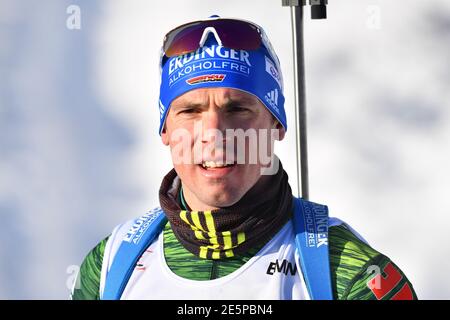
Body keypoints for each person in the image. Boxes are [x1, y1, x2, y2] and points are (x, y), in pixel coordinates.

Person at [71, 16, 417, 300]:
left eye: (237, 108)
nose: (215, 133)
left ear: (276, 123)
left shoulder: (350, 273)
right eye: (190, 111)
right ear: (165, 130)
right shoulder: (109, 267)